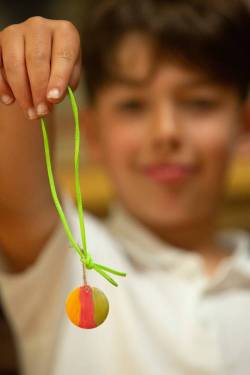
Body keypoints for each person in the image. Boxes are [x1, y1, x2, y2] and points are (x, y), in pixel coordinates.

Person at [0, 1, 250, 374]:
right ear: (94, 132)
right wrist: (21, 60)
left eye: (200, 103)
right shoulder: (60, 262)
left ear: (244, 126)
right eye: (133, 106)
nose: (166, 132)